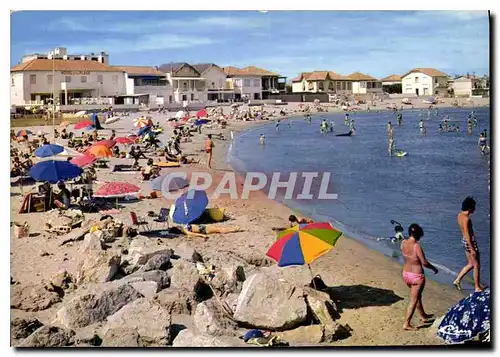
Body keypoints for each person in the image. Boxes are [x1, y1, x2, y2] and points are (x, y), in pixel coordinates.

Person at [401, 223, 438, 331]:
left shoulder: (403, 243)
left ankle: (423, 316)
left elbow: (405, 254)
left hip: (406, 274)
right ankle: (406, 324)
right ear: (418, 234)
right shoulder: (417, 246)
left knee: (417, 296)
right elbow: (424, 262)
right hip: (416, 276)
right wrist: (434, 268)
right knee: (414, 299)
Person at [453, 197, 485, 292]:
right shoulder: (467, 219)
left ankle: (457, 280)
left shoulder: (459, 215)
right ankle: (477, 287)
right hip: (469, 242)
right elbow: (467, 234)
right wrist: (472, 249)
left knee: (471, 263)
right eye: (473, 207)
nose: (475, 208)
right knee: (476, 265)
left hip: (464, 241)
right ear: (470, 207)